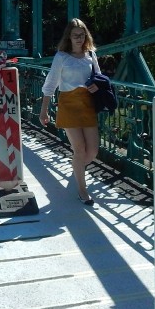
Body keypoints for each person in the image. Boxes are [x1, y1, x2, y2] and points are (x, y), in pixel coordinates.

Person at [38, 18, 101, 206]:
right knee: (79, 148)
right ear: (69, 37)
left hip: (87, 104)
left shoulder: (90, 54)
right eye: (75, 36)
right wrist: (44, 111)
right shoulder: (61, 57)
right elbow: (51, 84)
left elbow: (98, 77)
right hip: (68, 104)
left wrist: (97, 86)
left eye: (82, 35)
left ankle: (77, 167)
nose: (79, 39)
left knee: (93, 151)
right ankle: (82, 190)